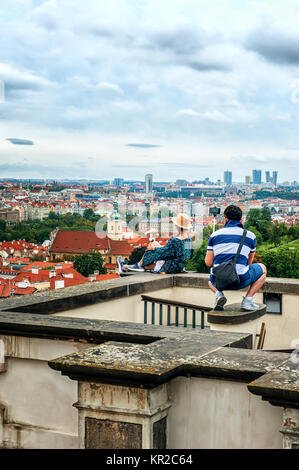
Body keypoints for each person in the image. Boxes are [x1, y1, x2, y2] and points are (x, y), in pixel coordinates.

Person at [205, 204, 267, 311]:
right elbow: (249, 262)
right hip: (241, 281)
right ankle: (248, 300)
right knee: (263, 269)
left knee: (211, 278)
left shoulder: (214, 235)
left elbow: (208, 262)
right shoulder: (250, 236)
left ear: (225, 218)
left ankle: (219, 295)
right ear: (241, 219)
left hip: (218, 282)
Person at [117, 213, 192, 274]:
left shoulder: (176, 240)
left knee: (150, 250)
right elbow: (178, 253)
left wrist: (154, 248)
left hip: (170, 267)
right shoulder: (188, 239)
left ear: (177, 226)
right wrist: (158, 246)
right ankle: (131, 266)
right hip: (179, 266)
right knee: (155, 246)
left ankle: (135, 265)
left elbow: (164, 252)